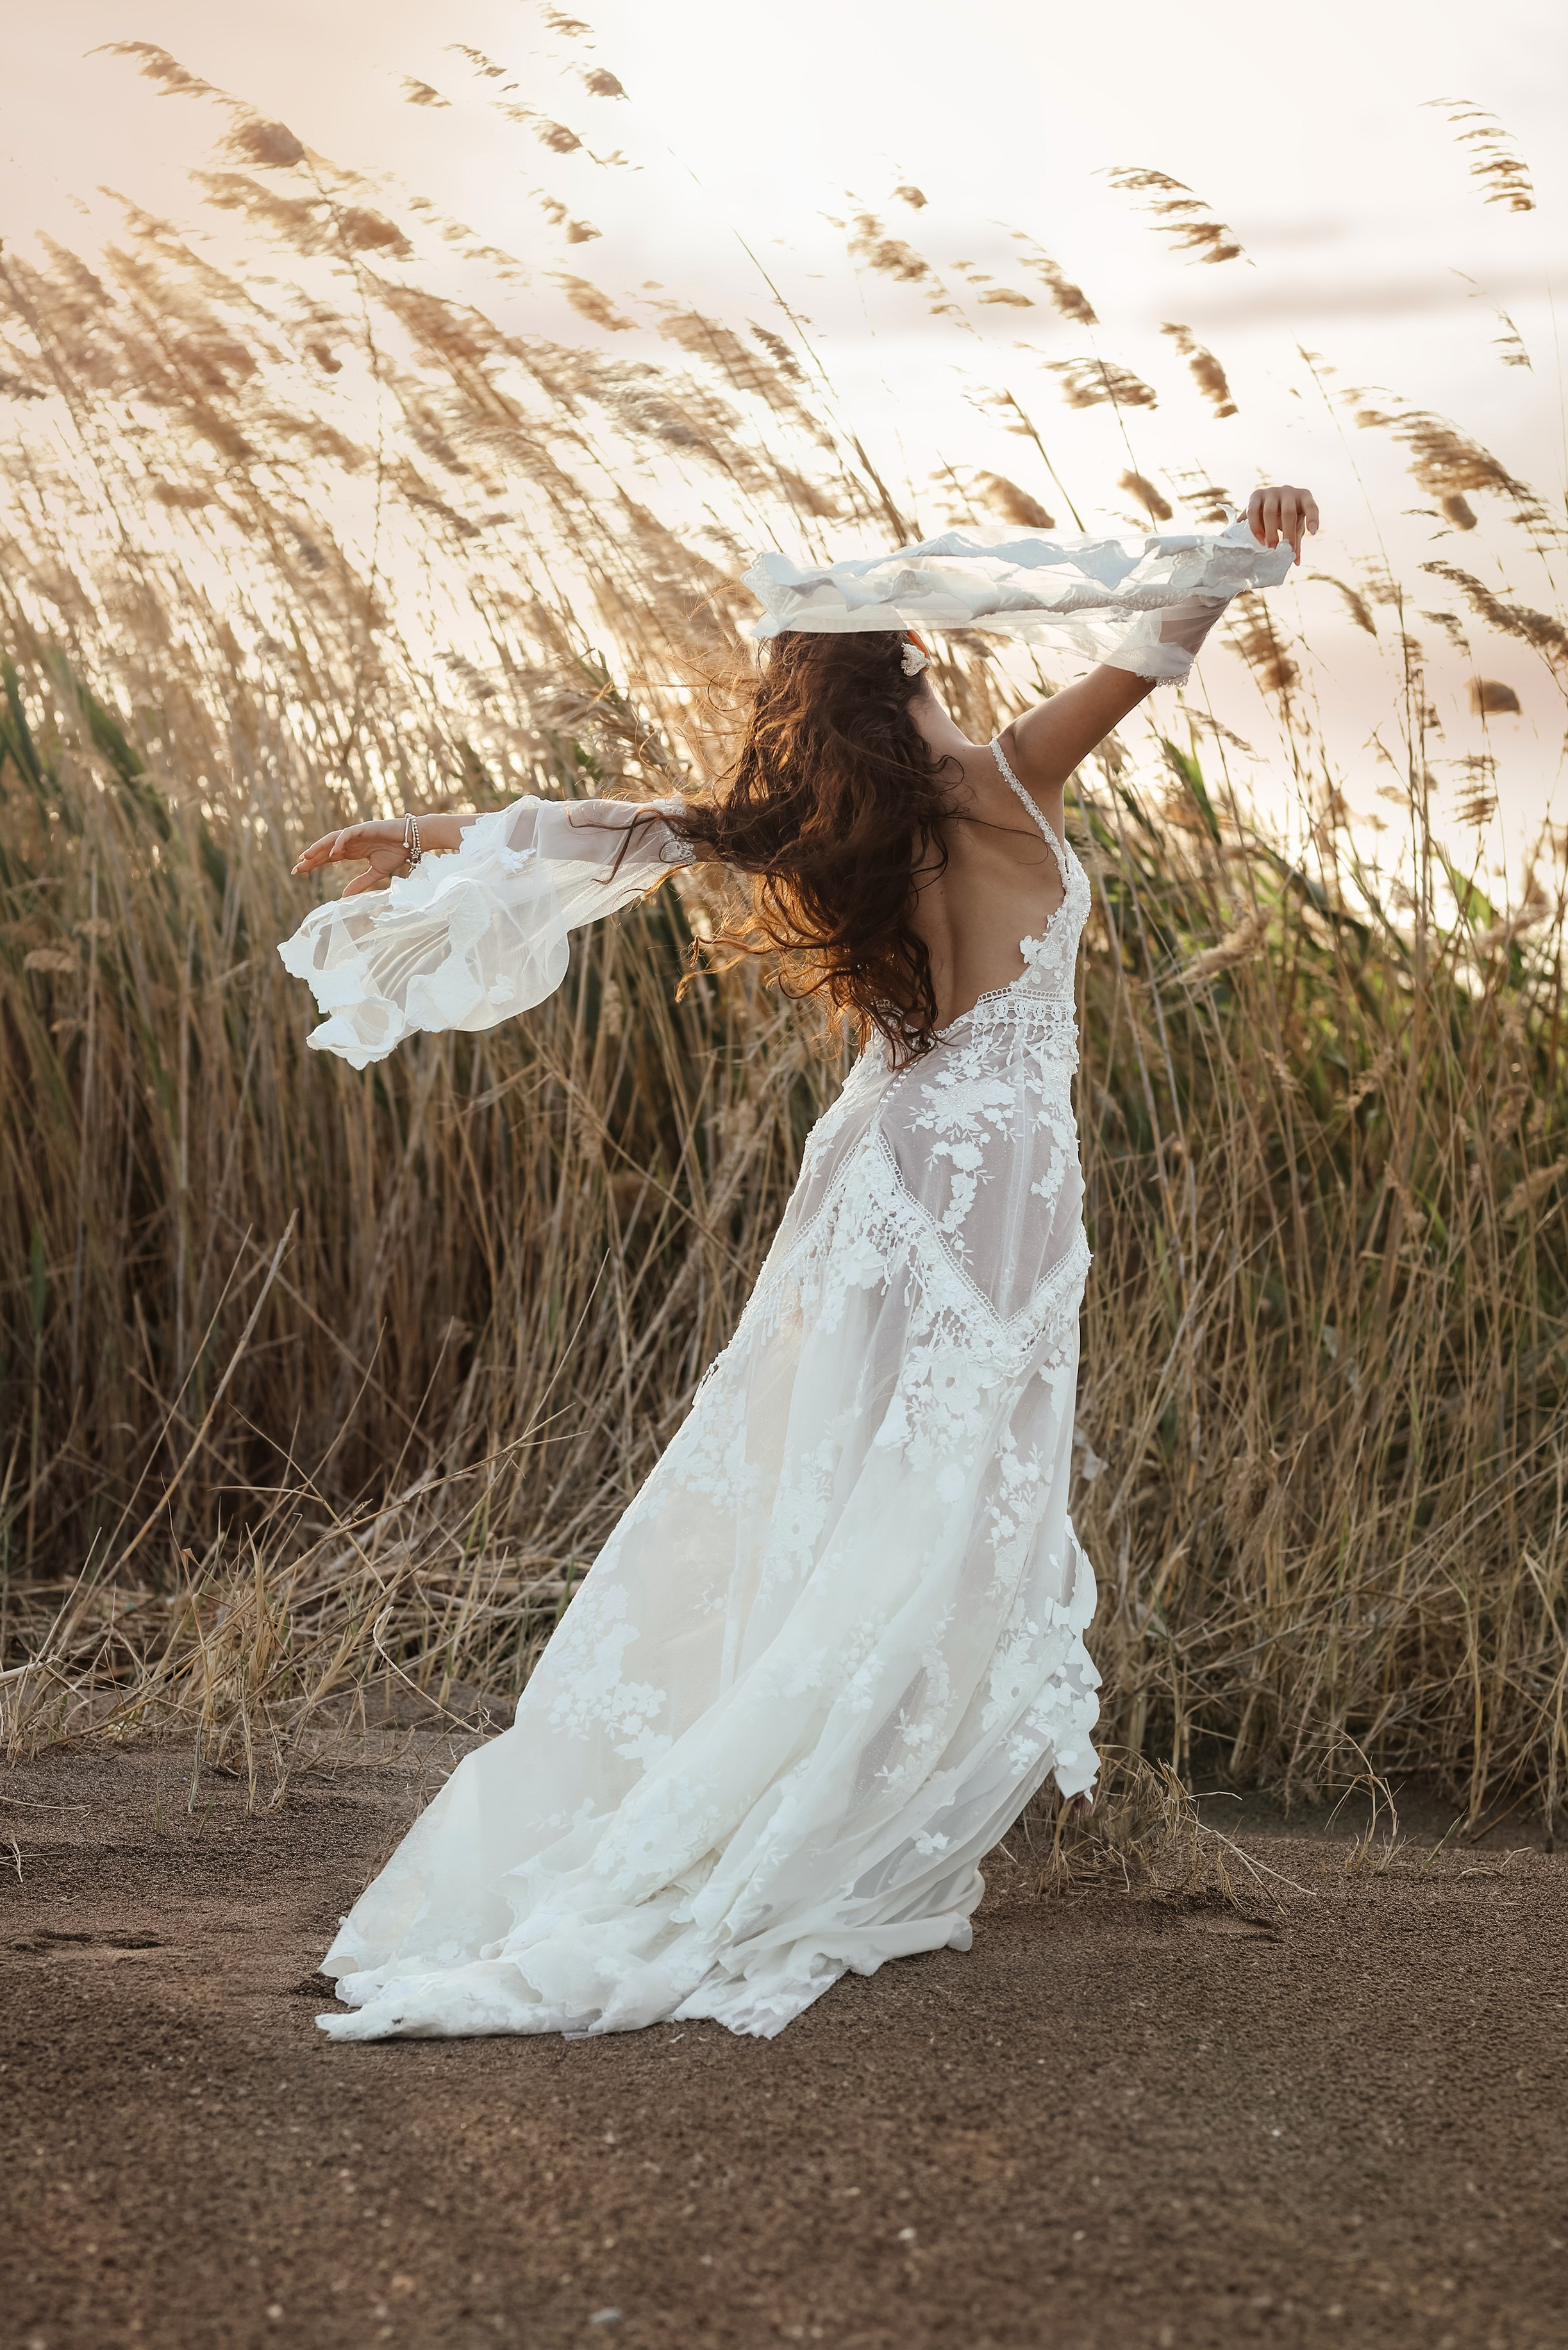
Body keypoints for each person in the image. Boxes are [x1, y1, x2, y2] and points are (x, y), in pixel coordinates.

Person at [281, 486, 1318, 2041]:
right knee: (933, 1478)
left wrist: (425, 835)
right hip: (992, 1174)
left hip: (892, 1157)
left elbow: (615, 829)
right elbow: (1147, 650)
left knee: (844, 1459)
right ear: (909, 695)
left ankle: (786, 1757)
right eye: (918, 665)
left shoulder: (845, 826)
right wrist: (1240, 556)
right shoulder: (1004, 784)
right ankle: (808, 1788)